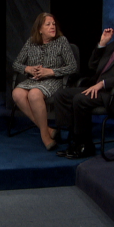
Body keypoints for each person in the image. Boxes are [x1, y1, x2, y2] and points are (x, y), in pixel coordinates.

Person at [54, 10, 114, 159]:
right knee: (62, 94)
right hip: (101, 90)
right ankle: (73, 140)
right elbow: (93, 66)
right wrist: (102, 44)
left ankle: (85, 145)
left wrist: (104, 83)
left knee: (80, 99)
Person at [12, 12, 77, 151]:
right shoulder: (31, 42)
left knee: (34, 94)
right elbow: (16, 64)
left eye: (53, 24)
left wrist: (51, 71)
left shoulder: (61, 41)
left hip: (54, 80)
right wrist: (28, 69)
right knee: (17, 93)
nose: (52, 27)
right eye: (48, 24)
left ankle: (44, 136)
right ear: (40, 29)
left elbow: (72, 66)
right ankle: (47, 129)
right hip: (33, 80)